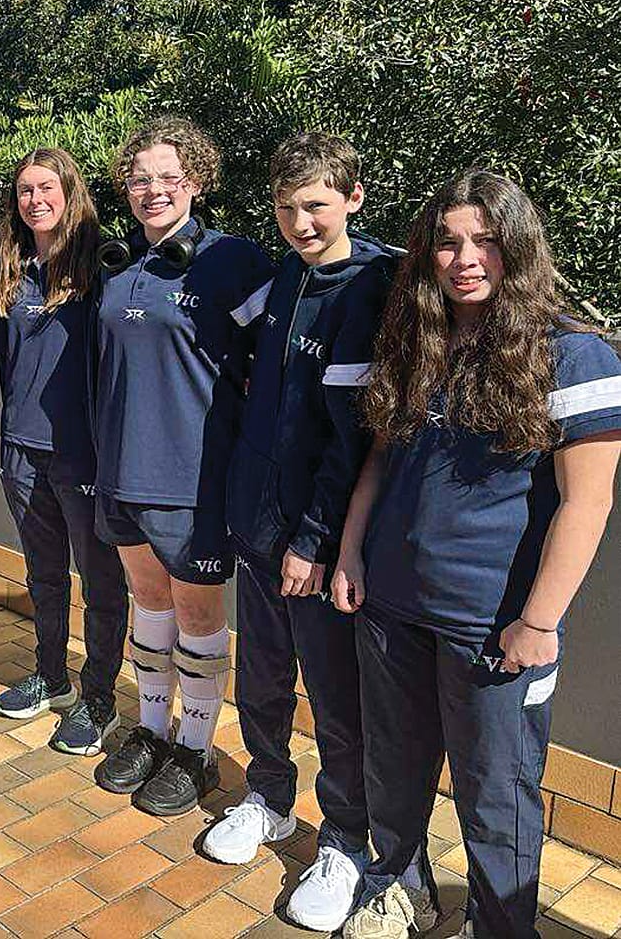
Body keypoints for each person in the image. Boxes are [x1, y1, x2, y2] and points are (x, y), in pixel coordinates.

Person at [334, 171, 621, 939]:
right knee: (392, 772)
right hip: (392, 607)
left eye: (485, 240)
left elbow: (586, 502)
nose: (465, 257)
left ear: (517, 247)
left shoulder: (575, 355)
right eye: (449, 241)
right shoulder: (417, 339)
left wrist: (539, 620)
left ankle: (497, 924)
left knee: (496, 795)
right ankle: (401, 887)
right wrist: (352, 552)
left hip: (493, 627)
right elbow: (380, 461)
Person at [202, 134, 400, 931]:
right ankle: (269, 798)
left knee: (334, 697)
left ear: (353, 197)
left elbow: (351, 439)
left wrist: (316, 542)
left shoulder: (371, 287)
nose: (300, 221)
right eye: (286, 209)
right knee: (262, 677)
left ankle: (346, 840)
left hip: (314, 541)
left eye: (316, 204)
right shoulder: (285, 271)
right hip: (257, 522)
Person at [90, 116, 275, 816]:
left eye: (169, 176)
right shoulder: (120, 261)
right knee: (150, 606)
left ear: (195, 181)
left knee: (198, 615)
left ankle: (195, 748)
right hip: (121, 469)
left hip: (194, 477)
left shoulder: (234, 259)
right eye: (140, 178)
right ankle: (153, 728)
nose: (153, 189)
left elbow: (275, 362)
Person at [0, 149, 129, 753]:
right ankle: (51, 676)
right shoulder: (8, 271)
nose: (35, 199)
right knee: (43, 573)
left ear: (70, 193)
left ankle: (99, 698)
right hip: (20, 449)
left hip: (82, 453)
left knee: (99, 582)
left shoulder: (103, 267)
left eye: (47, 188)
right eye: (24, 191)